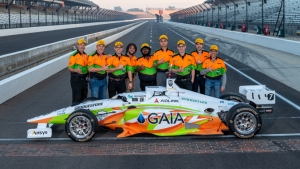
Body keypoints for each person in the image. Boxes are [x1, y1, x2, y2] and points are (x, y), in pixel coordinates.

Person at [68, 38, 89, 104]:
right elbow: (69, 68)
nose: (82, 46)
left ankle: (82, 113)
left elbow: (88, 68)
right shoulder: (73, 56)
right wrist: (76, 70)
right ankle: (76, 113)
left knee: (84, 100)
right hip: (76, 80)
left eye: (83, 45)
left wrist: (89, 77)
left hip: (84, 80)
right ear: (77, 45)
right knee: (77, 99)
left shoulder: (86, 56)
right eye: (81, 45)